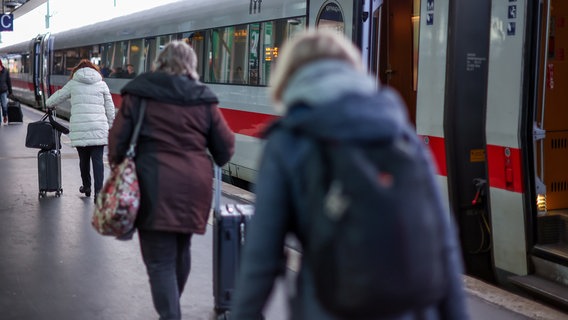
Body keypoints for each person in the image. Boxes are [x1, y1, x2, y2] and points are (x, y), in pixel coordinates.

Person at [230, 30, 469, 319]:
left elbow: (262, 255)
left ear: (288, 77)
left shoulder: (289, 140)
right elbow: (443, 243)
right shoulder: (399, 132)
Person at [107, 40, 235, 320]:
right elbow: (225, 150)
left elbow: (117, 142)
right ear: (192, 64)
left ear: (160, 62)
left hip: (153, 184)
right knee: (181, 249)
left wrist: (120, 169)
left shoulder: (140, 93)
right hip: (194, 187)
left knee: (159, 261)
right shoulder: (203, 97)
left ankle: (170, 314)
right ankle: (171, 308)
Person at [46, 59, 115, 201]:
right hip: (98, 127)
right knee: (98, 161)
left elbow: (54, 99)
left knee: (83, 160)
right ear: (94, 70)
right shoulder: (102, 84)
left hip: (80, 128)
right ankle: (99, 193)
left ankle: (86, 186)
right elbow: (110, 108)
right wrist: (110, 125)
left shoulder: (73, 83)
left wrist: (49, 104)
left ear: (76, 71)